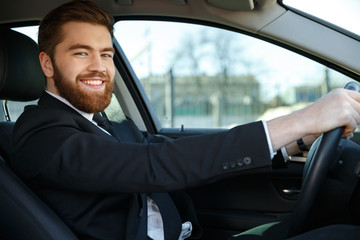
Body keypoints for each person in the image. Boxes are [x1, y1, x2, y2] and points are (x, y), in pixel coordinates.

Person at [9, 1, 360, 240]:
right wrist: (302, 119)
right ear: (47, 64)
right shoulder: (40, 135)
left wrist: (292, 144)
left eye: (105, 54)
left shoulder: (104, 119)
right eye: (80, 52)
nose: (99, 66)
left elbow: (167, 149)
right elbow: (155, 165)